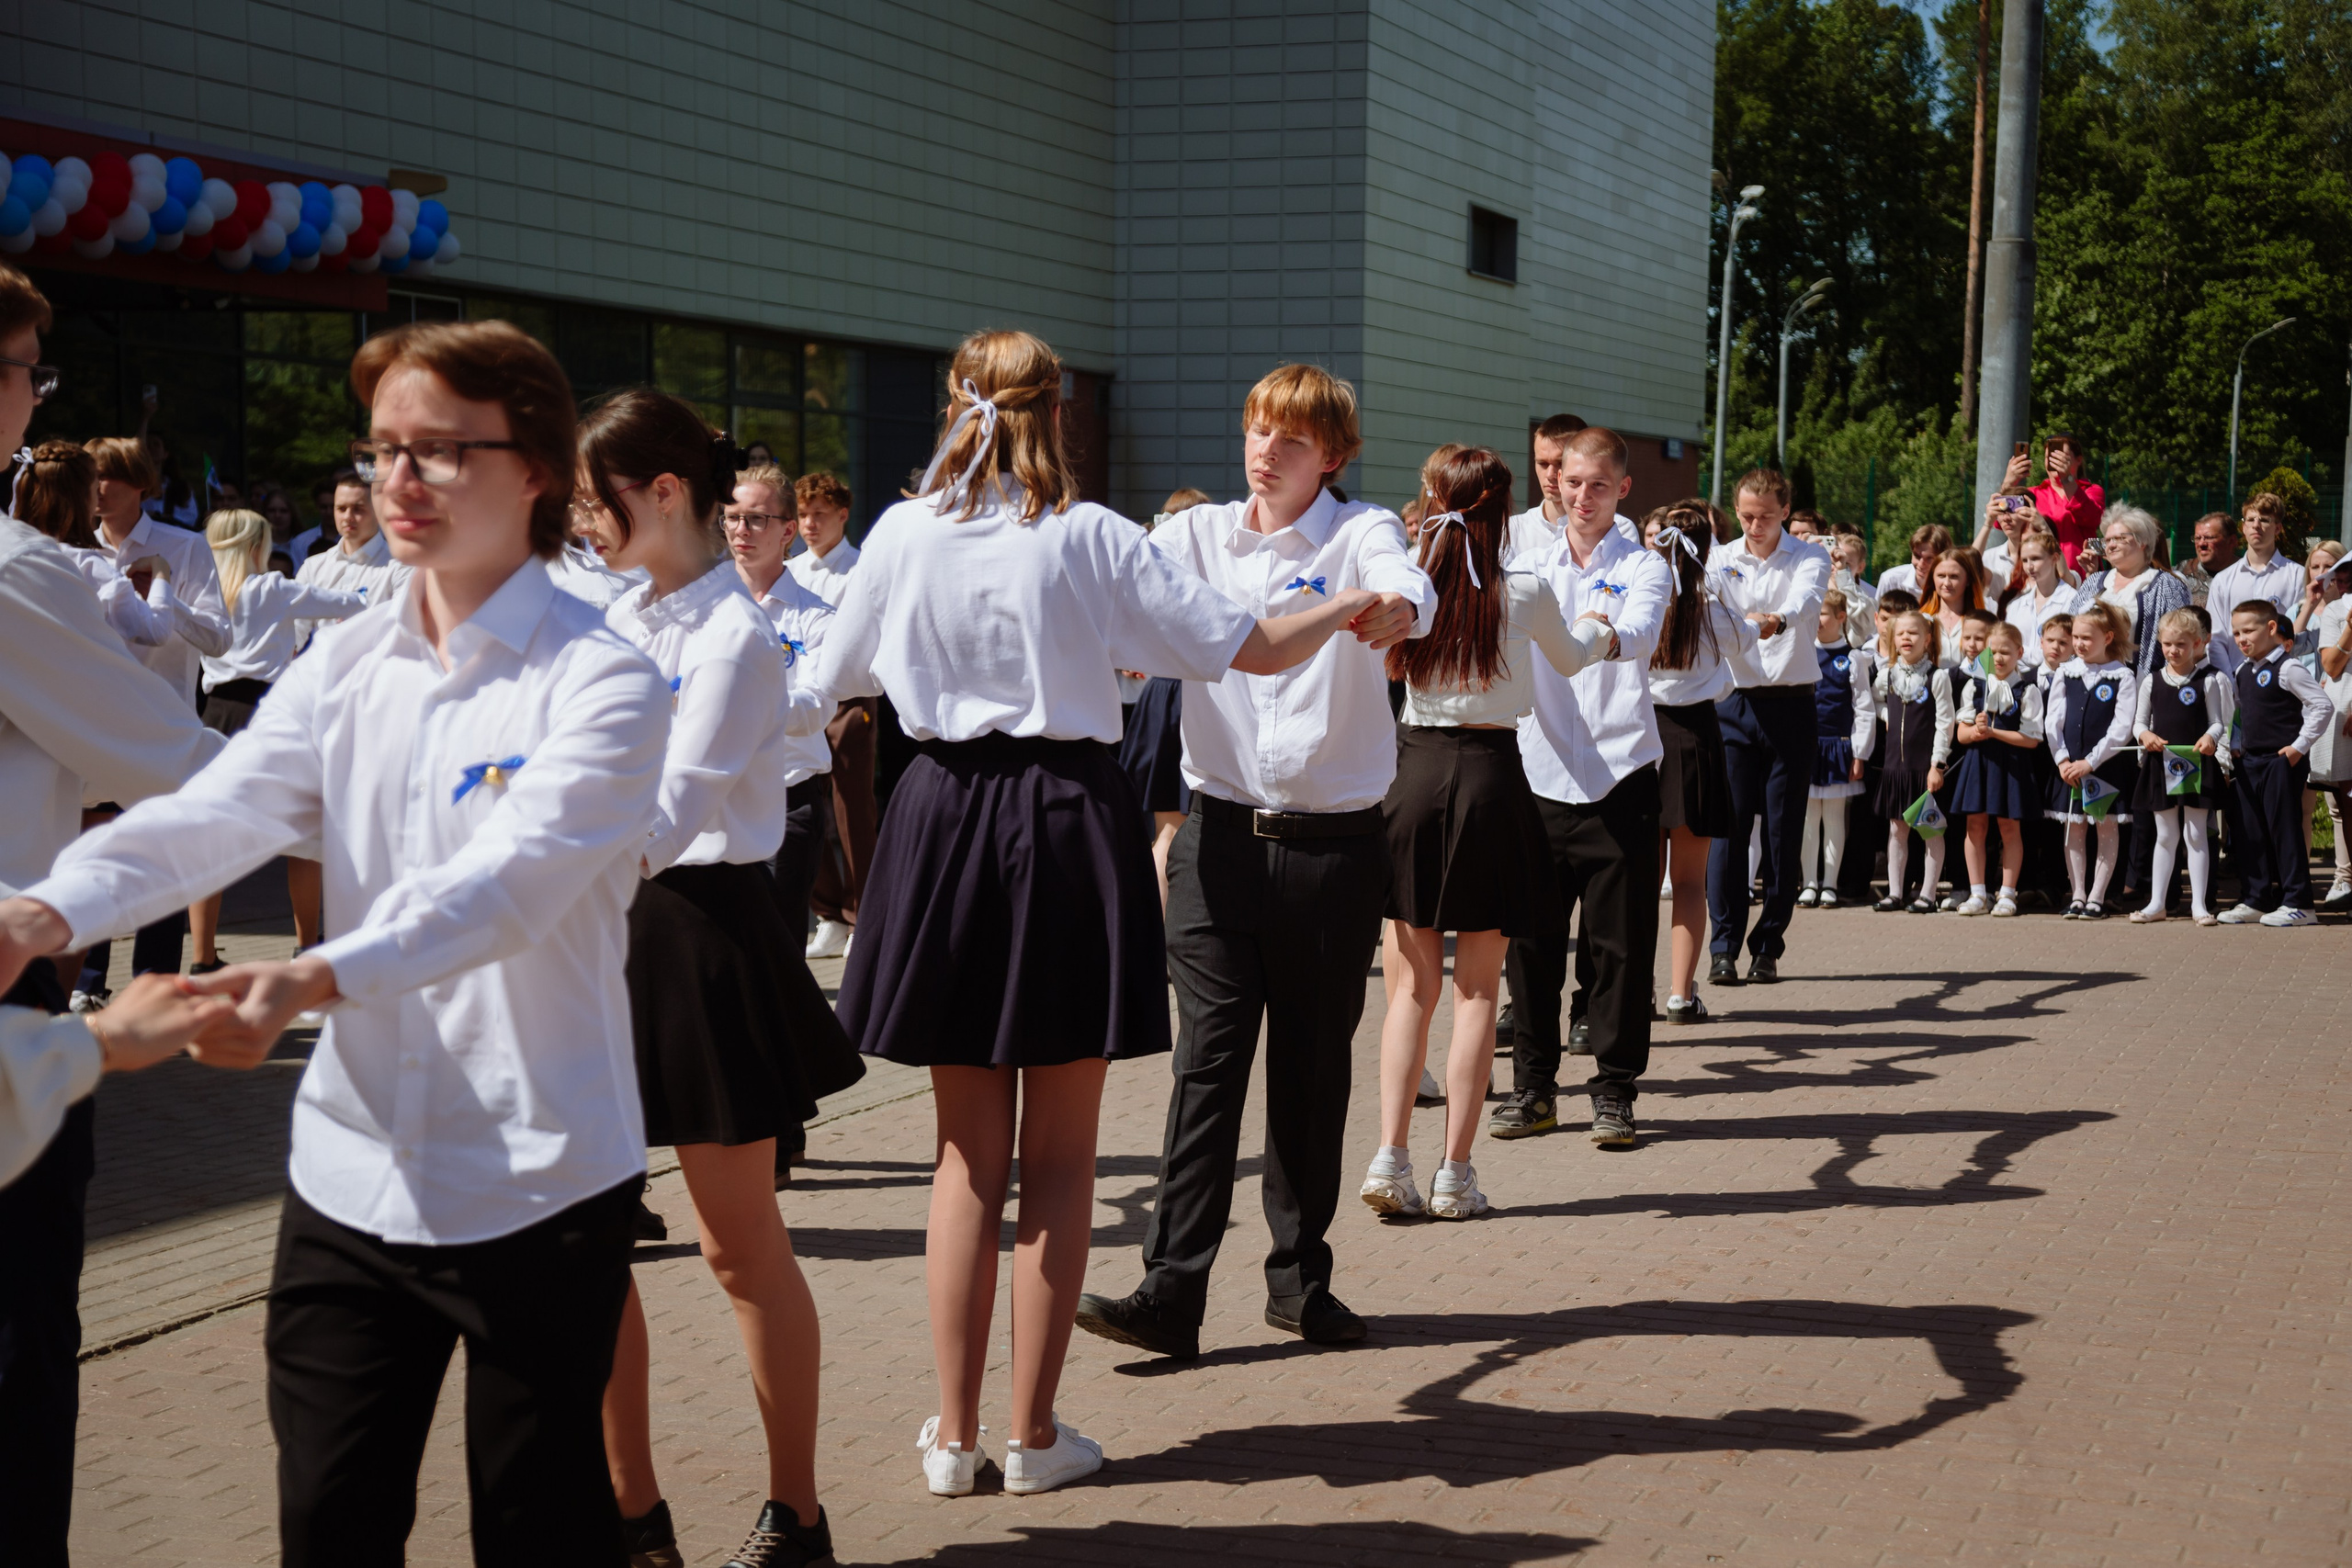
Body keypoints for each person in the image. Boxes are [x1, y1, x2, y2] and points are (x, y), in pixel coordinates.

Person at [8, 319, 676, 1566]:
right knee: (329, 1523)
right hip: (351, 1173)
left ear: (533, 465)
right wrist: (46, 909)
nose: (396, 483)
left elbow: (507, 888)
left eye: (437, 451)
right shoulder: (347, 662)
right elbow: (220, 810)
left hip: (539, 1177)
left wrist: (312, 974)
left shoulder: (607, 680)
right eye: (382, 452)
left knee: (539, 1531)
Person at [814, 340, 1387, 1484]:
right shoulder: (1088, 536)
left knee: (963, 1160)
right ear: (1057, 413)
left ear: (952, 408)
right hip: (1062, 819)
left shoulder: (903, 531)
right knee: (1062, 1159)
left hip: (938, 814)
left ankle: (953, 1436)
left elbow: (831, 679)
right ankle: (1031, 1436)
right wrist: (1357, 601)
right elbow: (1256, 651)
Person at [1075, 360, 1430, 1369]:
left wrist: (1398, 610)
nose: (1266, 451)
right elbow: (1113, 596)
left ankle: (1299, 1282)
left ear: (1335, 457)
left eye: (1292, 439)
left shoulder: (1361, 534)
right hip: (1218, 842)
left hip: (1333, 854)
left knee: (1313, 1075)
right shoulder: (1191, 537)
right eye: (1255, 431)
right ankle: (1168, 1293)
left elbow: (1406, 582)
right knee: (1207, 1065)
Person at [570, 389, 854, 1568]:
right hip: (598, 936)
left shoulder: (731, 636)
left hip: (700, 938)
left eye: (595, 502)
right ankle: (632, 1516)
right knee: (587, 1248)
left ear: (663, 493)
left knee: (741, 1244)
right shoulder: (612, 620)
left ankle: (797, 1513)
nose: (584, 524)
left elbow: (667, 813)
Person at [0, 257, 228, 1568]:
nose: (40, 399)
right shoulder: (21, 575)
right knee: (17, 1366)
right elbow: (179, 760)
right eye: (34, 368)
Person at [1361, 445, 1607, 1221]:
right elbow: (1572, 659)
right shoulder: (1524, 589)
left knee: (1409, 991)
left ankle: (1388, 1156)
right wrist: (1600, 626)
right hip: (1495, 782)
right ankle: (1453, 1175)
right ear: (1501, 510)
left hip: (1415, 776)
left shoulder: (1409, 590)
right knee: (1476, 993)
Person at [1490, 425, 1670, 1146]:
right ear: (1554, 483)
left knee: (1621, 946)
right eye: (1572, 483)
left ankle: (1615, 1091)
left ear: (1623, 488)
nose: (1583, 497)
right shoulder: (1523, 562)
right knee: (1530, 945)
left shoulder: (1645, 565)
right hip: (1535, 773)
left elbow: (1640, 630)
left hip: (1620, 776)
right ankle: (1533, 1090)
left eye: (1599, 485)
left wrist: (1594, 634)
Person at [725, 461, 858, 1174]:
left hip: (786, 804)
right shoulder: (704, 605)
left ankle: (777, 1123)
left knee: (771, 956)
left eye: (757, 519)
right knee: (737, 964)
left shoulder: (814, 614)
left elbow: (816, 703)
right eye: (733, 517)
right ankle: (776, 1112)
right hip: (712, 806)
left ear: (786, 531)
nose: (742, 531)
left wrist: (735, 706)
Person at [73, 435, 235, 1008]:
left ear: (141, 482)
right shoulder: (68, 549)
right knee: (91, 862)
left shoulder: (184, 547)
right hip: (91, 731)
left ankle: (155, 990)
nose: (96, 488)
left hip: (163, 731)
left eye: (107, 476)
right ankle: (87, 982)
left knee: (161, 865)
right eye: (88, 475)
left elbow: (220, 637)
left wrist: (165, 589)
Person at [185, 509, 370, 971]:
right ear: (255, 548)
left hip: (213, 716)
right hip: (268, 715)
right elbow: (351, 605)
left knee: (210, 842)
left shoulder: (201, 594)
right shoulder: (271, 587)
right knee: (306, 838)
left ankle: (203, 958)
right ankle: (307, 947)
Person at [1703, 468, 1830, 985]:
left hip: (1790, 705)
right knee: (1727, 830)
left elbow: (1804, 602)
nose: (1755, 526)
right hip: (1733, 703)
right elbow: (1707, 608)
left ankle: (1768, 943)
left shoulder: (1809, 556)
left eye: (1766, 516)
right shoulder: (1719, 558)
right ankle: (1723, 945)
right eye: (1747, 516)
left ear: (1785, 510)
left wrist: (1774, 619)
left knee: (1781, 831)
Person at [1640, 501, 1752, 1021]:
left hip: (1640, 737)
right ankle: (1681, 995)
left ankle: (1634, 989)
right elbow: (1749, 640)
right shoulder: (1712, 612)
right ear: (1706, 551)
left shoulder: (1642, 605)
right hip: (1697, 739)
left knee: (1640, 881)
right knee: (1689, 881)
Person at [788, 472, 872, 960]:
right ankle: (827, 914)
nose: (809, 523)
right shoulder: (791, 569)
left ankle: (864, 913)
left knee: (852, 807)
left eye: (819, 513)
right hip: (800, 694)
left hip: (850, 698)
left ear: (843, 514)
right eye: (802, 514)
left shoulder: (860, 568)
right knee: (803, 797)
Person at [1118, 485, 1214, 903]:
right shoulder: (1204, 564)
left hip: (1164, 694)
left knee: (1168, 830)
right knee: (1176, 831)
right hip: (1185, 693)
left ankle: (1158, 955)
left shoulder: (1154, 560)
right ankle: (1164, 952)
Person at [2216, 598, 2331, 928]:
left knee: (2285, 830)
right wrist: (2235, 745)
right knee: (2251, 832)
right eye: (2236, 632)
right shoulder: (2242, 670)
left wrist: (2298, 748)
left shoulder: (2289, 667)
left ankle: (2299, 902)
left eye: (2249, 630)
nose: (2241, 638)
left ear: (2271, 628)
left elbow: (2321, 706)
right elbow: (2239, 715)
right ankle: (2256, 898)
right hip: (2249, 762)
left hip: (2281, 762)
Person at [2124, 606, 2232, 925]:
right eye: (2167, 644)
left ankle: (2199, 905)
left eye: (2181, 645)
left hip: (2197, 764)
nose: (2173, 650)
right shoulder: (2151, 681)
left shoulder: (2209, 680)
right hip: (2162, 765)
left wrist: (2211, 738)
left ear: (2198, 644)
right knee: (2165, 836)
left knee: (2196, 835)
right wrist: (2146, 735)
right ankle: (2158, 903)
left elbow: (2218, 722)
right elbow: (2139, 722)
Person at [2046, 602, 2139, 920]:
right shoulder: (2066, 673)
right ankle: (2078, 894)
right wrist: (2062, 759)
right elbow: (2053, 721)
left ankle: (2098, 896)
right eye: (2076, 636)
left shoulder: (2122, 676)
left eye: (2087, 637)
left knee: (2106, 827)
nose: (2079, 644)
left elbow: (2122, 727)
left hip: (2104, 767)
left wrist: (2092, 761)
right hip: (2070, 769)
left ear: (2108, 637)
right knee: (2074, 829)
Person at [1945, 621, 2041, 917]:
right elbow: (1960, 735)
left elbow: (2031, 739)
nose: (1998, 658)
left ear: (2019, 652)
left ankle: (2008, 893)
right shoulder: (1975, 686)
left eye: (2005, 652)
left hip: (2011, 765)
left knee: (2009, 827)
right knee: (1975, 825)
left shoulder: (2027, 690)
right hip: (1979, 763)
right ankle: (1977, 893)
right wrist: (1975, 732)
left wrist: (1993, 734)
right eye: (1993, 652)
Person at [1869, 610, 1955, 914]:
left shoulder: (1937, 676)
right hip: (1896, 768)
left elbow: (1946, 722)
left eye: (1914, 633)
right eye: (1901, 633)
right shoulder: (1888, 674)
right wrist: (1885, 716)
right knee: (1896, 830)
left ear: (1928, 638)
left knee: (1931, 830)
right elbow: (1874, 700)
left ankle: (1928, 895)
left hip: (1924, 768)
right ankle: (1895, 892)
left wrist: (1937, 765)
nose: (1906, 638)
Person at [1798, 587, 1874, 908]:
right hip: (1805, 748)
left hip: (1838, 748)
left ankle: (1830, 883)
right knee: (1806, 819)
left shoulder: (1854, 659)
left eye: (1823, 613)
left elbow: (1864, 709)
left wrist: (1860, 754)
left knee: (1833, 818)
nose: (1817, 620)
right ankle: (1809, 882)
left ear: (1841, 617)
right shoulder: (1801, 651)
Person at [293, 469, 410, 649]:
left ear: (379, 510)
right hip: (320, 673)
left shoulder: (400, 566)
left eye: (358, 509)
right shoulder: (313, 567)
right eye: (341, 508)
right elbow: (294, 632)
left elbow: (402, 631)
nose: (347, 517)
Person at [2205, 494, 2304, 676]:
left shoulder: (2297, 576)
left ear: (2278, 528)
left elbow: (2300, 633)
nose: (2256, 525)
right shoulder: (2223, 580)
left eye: (2265, 520)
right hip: (2234, 681)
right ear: (2243, 527)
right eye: (2250, 519)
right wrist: (2230, 681)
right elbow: (2216, 637)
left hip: (2281, 682)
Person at [2002, 432, 2104, 571]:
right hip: (2041, 577)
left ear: (2078, 460)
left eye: (2062, 457)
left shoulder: (2091, 490)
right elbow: (2002, 521)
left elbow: (2093, 519)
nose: (2055, 462)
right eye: (2050, 457)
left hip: (2084, 575)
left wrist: (2067, 479)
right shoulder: (2032, 494)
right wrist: (2008, 484)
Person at [2001, 525, 2075, 669]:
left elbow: (2072, 650)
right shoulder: (2016, 605)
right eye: (2025, 560)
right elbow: (2008, 645)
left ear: (2054, 558)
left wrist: (2023, 654)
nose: (2029, 567)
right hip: (2021, 681)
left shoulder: (2073, 600)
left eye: (2035, 559)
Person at [1922, 547, 1987, 649]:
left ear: (1968, 580)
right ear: (1932, 579)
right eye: (1941, 576)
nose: (1947, 583)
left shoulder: (1984, 623)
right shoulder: (1921, 620)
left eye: (1954, 576)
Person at [1875, 524, 1951, 601]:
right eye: (1917, 556)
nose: (1921, 564)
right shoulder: (1890, 580)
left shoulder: (1950, 586)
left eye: (1929, 558)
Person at [2178, 511, 2239, 607]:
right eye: (2197, 538)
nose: (2201, 544)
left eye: (2209, 538)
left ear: (2232, 541)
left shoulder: (2247, 574)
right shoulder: (2181, 574)